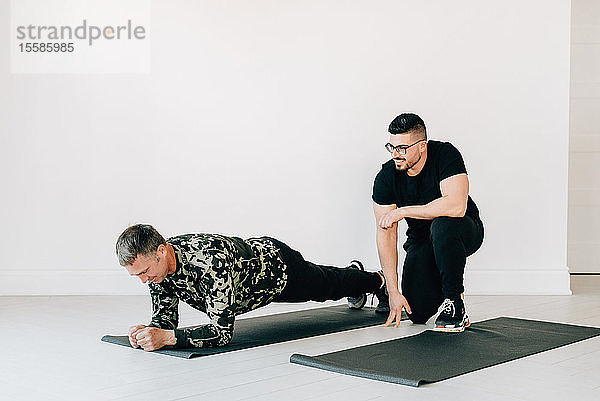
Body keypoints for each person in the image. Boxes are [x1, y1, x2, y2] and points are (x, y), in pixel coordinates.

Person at [115, 224, 388, 351]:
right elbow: (165, 318)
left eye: (144, 272)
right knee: (328, 281)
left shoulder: (210, 263)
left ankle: (376, 280)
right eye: (136, 275)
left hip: (278, 268)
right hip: (251, 281)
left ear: (162, 252)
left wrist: (168, 338)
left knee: (325, 287)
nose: (143, 280)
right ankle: (353, 276)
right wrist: (150, 331)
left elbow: (222, 334)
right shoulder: (157, 271)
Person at [372, 113, 484, 332]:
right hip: (423, 240)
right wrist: (394, 291)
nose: (396, 154)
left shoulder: (445, 155)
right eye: (392, 147)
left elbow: (456, 206)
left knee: (442, 225)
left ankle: (454, 302)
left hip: (461, 229)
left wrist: (404, 211)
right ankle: (440, 277)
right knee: (418, 312)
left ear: (422, 146)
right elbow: (386, 234)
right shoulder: (386, 177)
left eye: (402, 148)